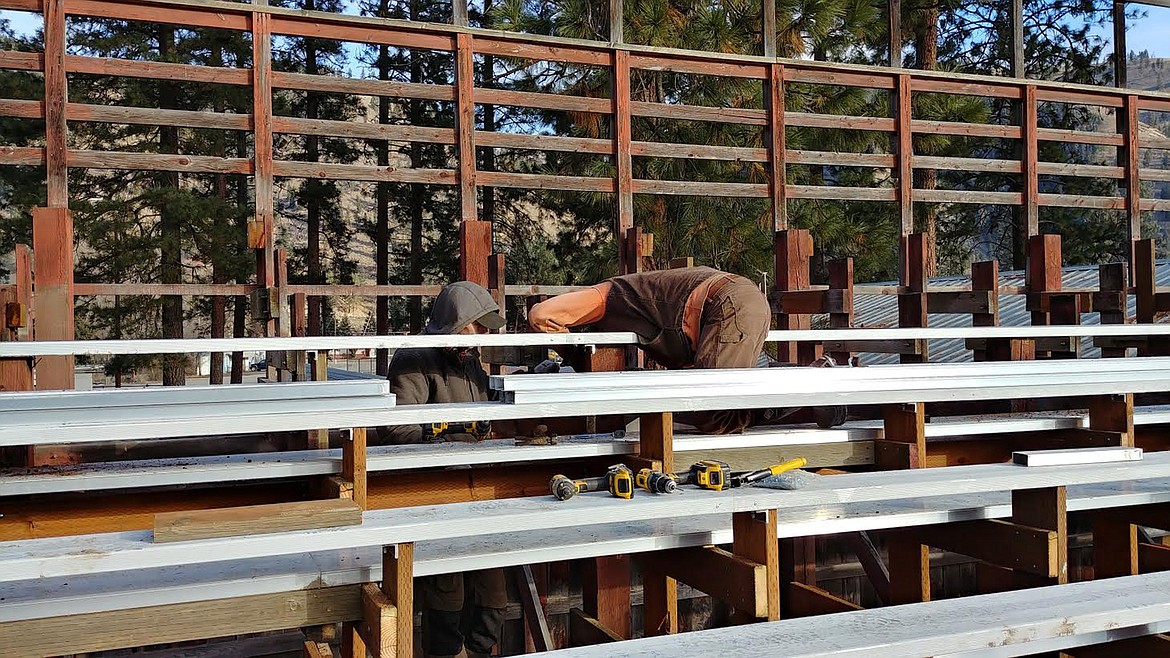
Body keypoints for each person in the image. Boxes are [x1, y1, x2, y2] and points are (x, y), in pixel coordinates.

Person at [528, 266, 848, 432]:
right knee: (715, 401)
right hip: (732, 305)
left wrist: (564, 348)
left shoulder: (608, 296)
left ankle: (813, 386)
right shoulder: (628, 309)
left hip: (728, 304)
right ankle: (810, 383)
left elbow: (542, 315)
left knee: (712, 412)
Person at [382, 281, 508, 658]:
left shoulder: (471, 362)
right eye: (478, 325)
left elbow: (484, 417)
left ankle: (480, 651)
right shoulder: (414, 359)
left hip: (478, 491)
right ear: (457, 324)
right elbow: (398, 430)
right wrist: (452, 434)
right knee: (445, 593)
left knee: (493, 594)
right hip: (436, 492)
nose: (484, 334)